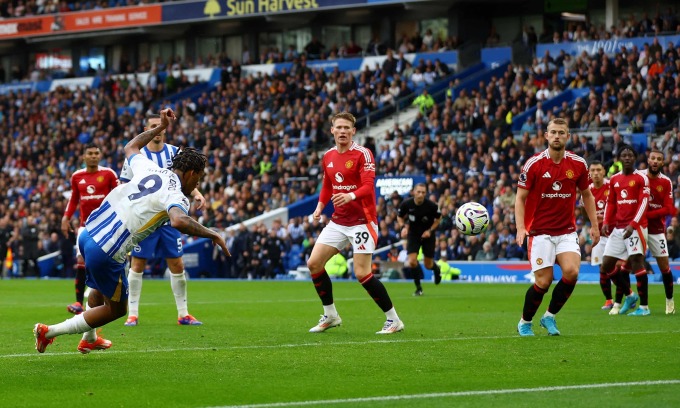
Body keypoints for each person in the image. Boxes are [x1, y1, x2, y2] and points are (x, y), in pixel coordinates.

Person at [33, 108, 230, 354]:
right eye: (198, 179)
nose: (197, 184)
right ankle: (48, 332)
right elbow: (179, 221)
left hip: (88, 232)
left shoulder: (150, 168)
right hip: (108, 248)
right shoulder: (176, 195)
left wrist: (158, 128)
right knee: (116, 309)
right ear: (191, 173)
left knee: (97, 289)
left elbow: (130, 147)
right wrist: (212, 233)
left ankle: (89, 338)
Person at [306, 112, 404, 335]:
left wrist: (349, 196)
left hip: (362, 221)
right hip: (339, 221)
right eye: (338, 127)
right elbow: (327, 185)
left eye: (346, 128)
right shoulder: (328, 156)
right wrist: (321, 206)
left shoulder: (363, 154)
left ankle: (394, 320)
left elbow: (369, 186)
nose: (342, 131)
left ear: (353, 131)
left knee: (362, 273)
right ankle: (330, 315)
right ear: (332, 130)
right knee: (314, 264)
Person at [120, 114, 207, 327]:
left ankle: (183, 313)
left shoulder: (174, 152)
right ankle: (132, 314)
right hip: (146, 219)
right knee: (137, 264)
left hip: (169, 218)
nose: (157, 130)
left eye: (160, 127)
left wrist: (196, 193)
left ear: (165, 130)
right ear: (146, 129)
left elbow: (184, 178)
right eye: (152, 126)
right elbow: (124, 184)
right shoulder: (137, 156)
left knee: (177, 263)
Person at [515, 118, 600, 336]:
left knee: (571, 272)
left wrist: (595, 225)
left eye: (561, 133)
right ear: (546, 135)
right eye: (553, 132)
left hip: (566, 231)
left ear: (568, 136)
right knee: (543, 282)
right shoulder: (533, 164)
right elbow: (520, 198)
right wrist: (520, 228)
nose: (557, 136)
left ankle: (549, 317)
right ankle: (525, 321)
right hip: (539, 232)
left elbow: (587, 195)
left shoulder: (578, 164)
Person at [62, 143, 119, 314]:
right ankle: (79, 303)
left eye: (96, 153)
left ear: (100, 155)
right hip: (85, 226)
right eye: (90, 153)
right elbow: (73, 200)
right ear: (84, 156)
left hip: (106, 225)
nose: (93, 156)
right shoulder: (77, 176)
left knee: (107, 261)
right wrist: (66, 217)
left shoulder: (108, 174)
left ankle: (110, 297)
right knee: (81, 261)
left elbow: (119, 195)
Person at [601, 145, 649, 316]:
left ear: (635, 158)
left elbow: (644, 203)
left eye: (630, 155)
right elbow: (611, 202)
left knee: (636, 262)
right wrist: (606, 221)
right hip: (618, 228)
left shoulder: (641, 178)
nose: (627, 157)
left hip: (636, 227)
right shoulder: (614, 179)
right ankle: (630, 295)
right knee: (606, 264)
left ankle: (644, 308)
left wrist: (633, 225)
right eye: (624, 155)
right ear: (619, 158)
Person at [632, 150, 675, 315]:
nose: (655, 161)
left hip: (656, 229)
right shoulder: (639, 177)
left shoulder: (666, 182)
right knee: (634, 263)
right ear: (648, 160)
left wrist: (647, 214)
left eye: (659, 159)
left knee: (664, 266)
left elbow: (667, 208)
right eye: (653, 158)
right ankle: (640, 305)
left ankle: (670, 300)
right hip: (639, 227)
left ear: (663, 163)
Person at [582, 160, 619, 310]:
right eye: (593, 170)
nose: (596, 173)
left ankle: (626, 296)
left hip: (615, 234)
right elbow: (584, 212)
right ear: (589, 173)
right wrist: (594, 224)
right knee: (603, 268)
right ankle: (609, 300)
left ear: (604, 171)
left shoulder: (612, 186)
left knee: (617, 267)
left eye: (598, 170)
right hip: (600, 236)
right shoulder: (587, 190)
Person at [397, 183, 442, 296]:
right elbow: (400, 216)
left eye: (423, 192)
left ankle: (436, 270)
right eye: (418, 192)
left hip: (428, 236)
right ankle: (418, 288)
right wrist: (403, 227)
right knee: (412, 261)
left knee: (428, 265)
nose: (421, 194)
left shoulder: (431, 206)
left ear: (426, 193)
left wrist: (430, 231)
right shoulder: (406, 204)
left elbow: (438, 219)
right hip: (413, 234)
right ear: (414, 192)